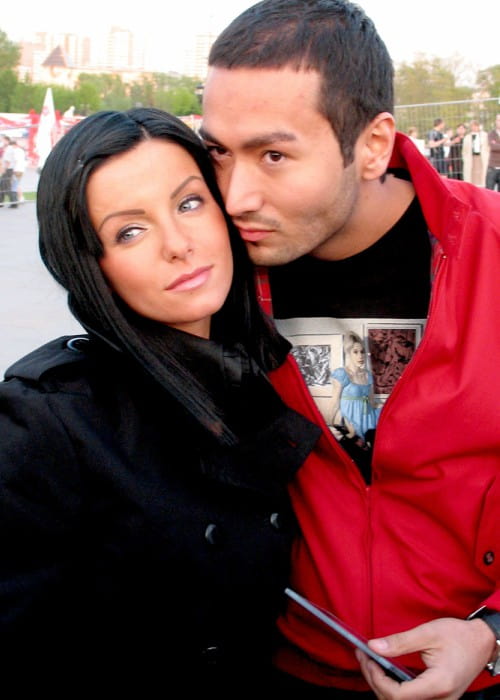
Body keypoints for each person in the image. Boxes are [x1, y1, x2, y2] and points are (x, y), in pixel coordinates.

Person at [201, 0, 500, 697]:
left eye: (274, 155)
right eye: (219, 152)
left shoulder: (489, 251)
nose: (236, 196)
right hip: (283, 663)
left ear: (371, 145)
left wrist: (491, 633)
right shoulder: (212, 273)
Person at [0, 107, 321, 693]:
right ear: (89, 265)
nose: (178, 244)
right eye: (130, 231)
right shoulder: (47, 419)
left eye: (190, 203)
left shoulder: (258, 370)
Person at [463, 119, 490, 187]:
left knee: (482, 174)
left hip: (482, 157)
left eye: (475, 126)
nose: (474, 128)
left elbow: (488, 147)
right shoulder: (467, 137)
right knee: (471, 174)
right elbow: (465, 150)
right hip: (471, 158)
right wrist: (465, 158)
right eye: (472, 126)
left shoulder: (484, 135)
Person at [0, 134, 18, 208]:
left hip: (7, 169)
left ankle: (14, 202)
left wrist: (3, 170)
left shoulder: (9, 149)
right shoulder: (8, 148)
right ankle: (1, 202)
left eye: (3, 140)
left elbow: (8, 161)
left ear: (7, 140)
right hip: (8, 169)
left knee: (6, 186)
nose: (2, 141)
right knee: (2, 186)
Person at [486, 114, 500, 191]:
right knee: (489, 191)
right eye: (498, 120)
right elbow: (493, 147)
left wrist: (496, 144)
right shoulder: (491, 134)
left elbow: (495, 146)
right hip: (492, 167)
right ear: (496, 121)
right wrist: (495, 145)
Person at [11, 138, 26, 203]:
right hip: (21, 169)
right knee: (17, 184)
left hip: (17, 169)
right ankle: (21, 197)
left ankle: (19, 198)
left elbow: (15, 160)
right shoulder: (21, 151)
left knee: (15, 184)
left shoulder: (15, 151)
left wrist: (13, 169)